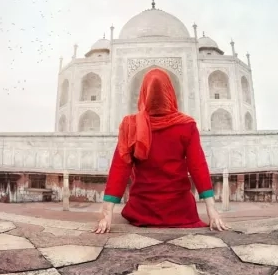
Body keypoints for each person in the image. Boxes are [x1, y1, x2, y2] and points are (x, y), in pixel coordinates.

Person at [94, 68, 229, 233]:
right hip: (181, 213)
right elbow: (197, 166)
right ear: (170, 93)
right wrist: (212, 210)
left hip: (142, 212)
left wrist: (107, 213)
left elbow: (120, 168)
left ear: (143, 94)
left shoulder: (132, 125)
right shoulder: (186, 125)